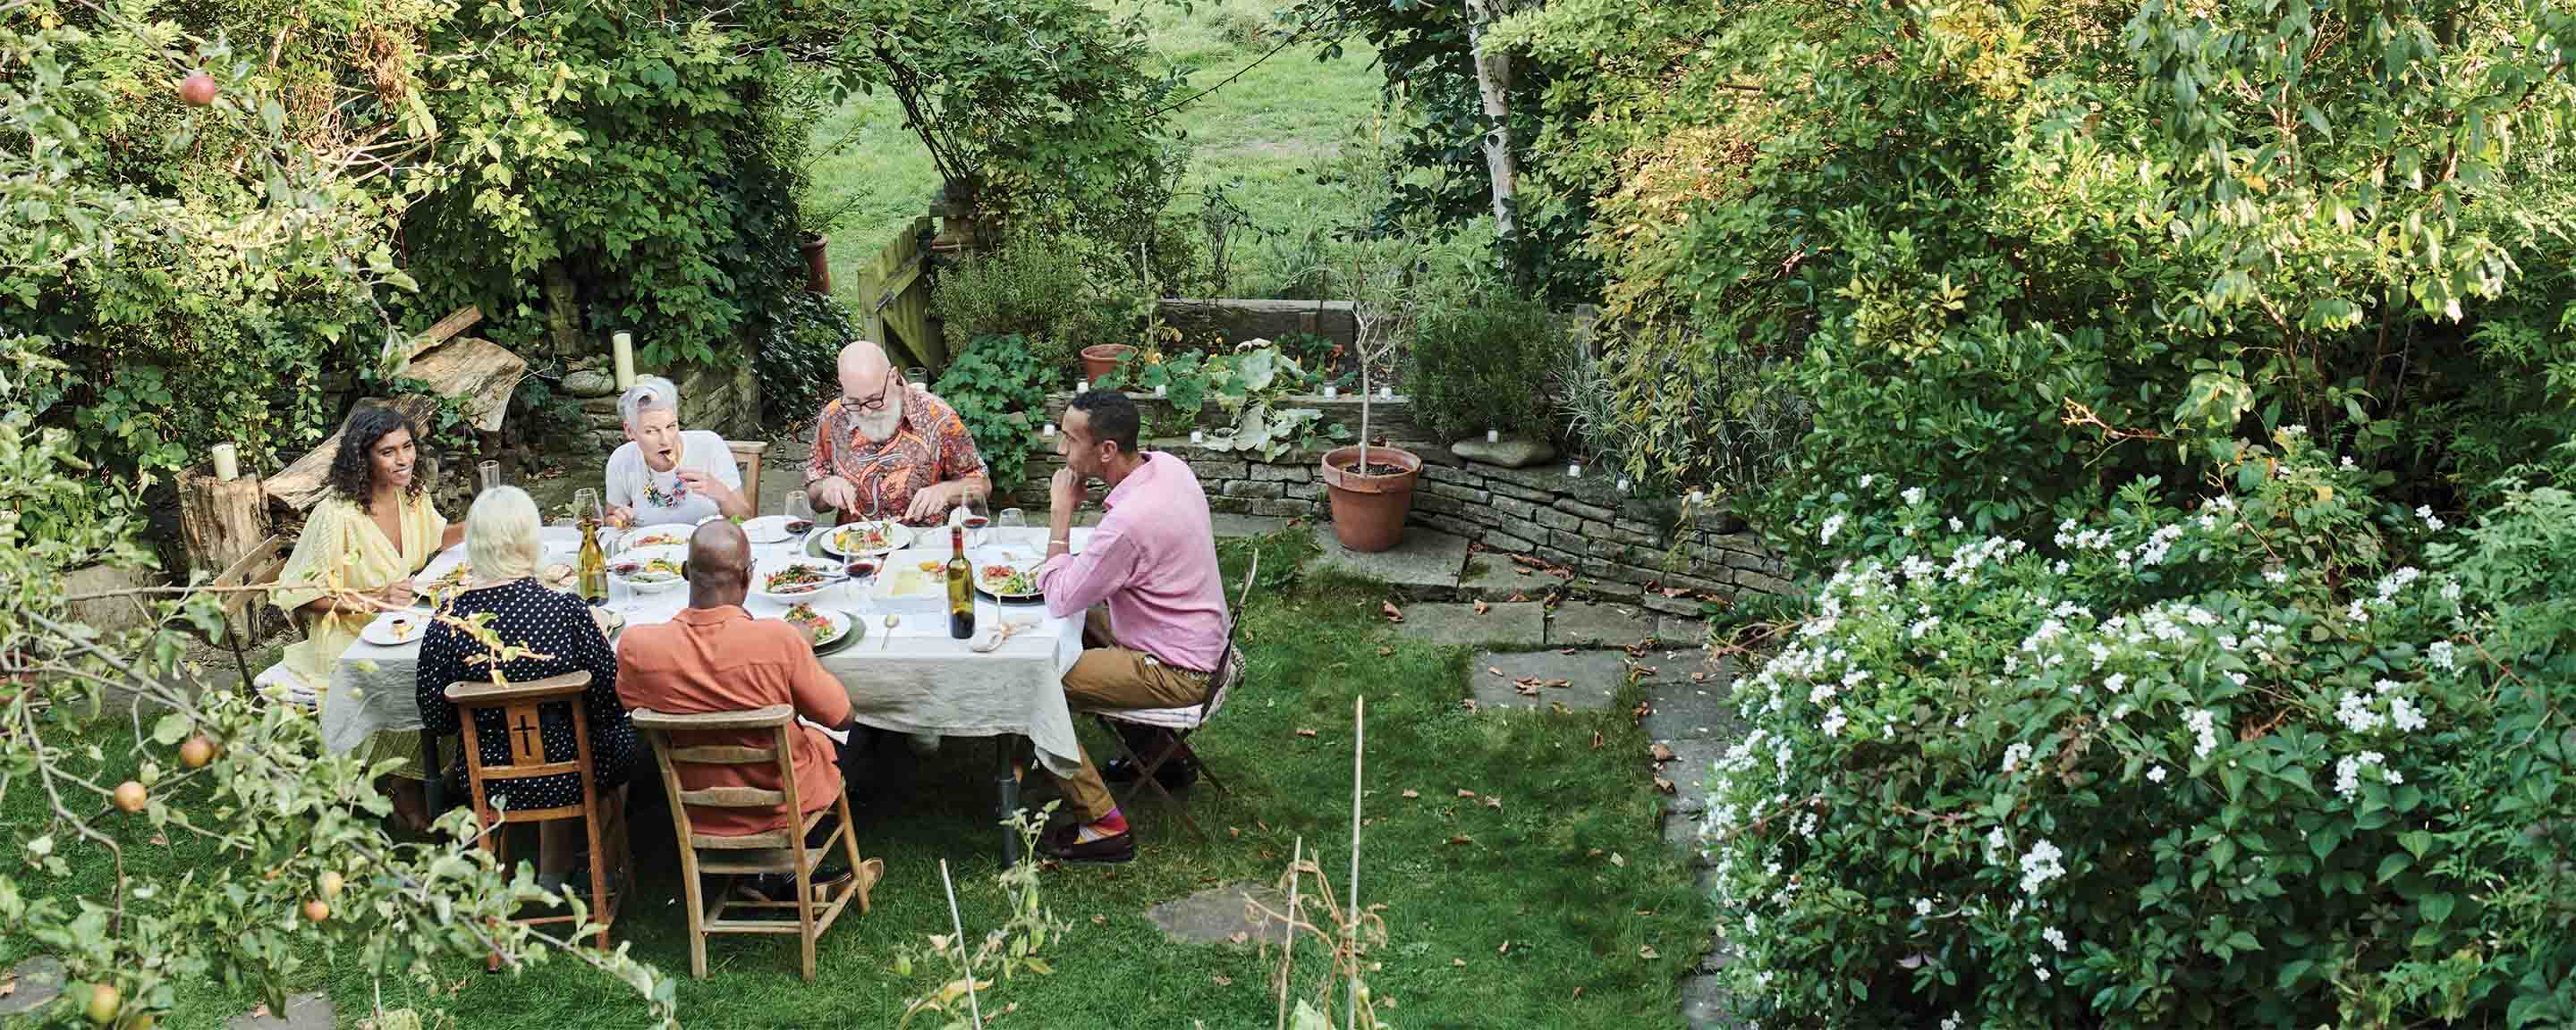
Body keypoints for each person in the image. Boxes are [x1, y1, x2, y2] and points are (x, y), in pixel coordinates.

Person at [616, 520, 883, 902]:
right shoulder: (778, 639)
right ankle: (781, 873)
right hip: (781, 800)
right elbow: (841, 716)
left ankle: (761, 873)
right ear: (748, 577)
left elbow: (629, 703)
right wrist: (800, 649)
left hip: (699, 804)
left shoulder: (638, 647)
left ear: (687, 572)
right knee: (861, 738)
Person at [1031, 390, 1231, 864]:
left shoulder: (1130, 523)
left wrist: (1060, 516)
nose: (1061, 451)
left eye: (1068, 439)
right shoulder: (1166, 467)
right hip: (1200, 640)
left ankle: (1102, 824)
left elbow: (1060, 596)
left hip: (1179, 669)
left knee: (1032, 686)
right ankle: (1165, 758)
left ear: (1105, 451)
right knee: (1082, 627)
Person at [413, 486, 633, 894]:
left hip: (488, 779)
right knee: (616, 734)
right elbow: (610, 697)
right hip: (575, 772)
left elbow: (435, 717)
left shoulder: (448, 620)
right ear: (533, 541)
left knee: (566, 737)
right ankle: (593, 860)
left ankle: (550, 864)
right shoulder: (566, 609)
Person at [267, 404, 466, 824]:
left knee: (452, 662)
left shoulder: (411, 496)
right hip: (348, 637)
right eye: (388, 452)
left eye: (407, 447)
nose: (403, 459)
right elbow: (297, 594)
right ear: (363, 457)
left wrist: (490, 520)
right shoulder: (336, 514)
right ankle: (403, 784)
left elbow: (440, 535)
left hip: (402, 625)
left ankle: (431, 770)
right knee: (414, 678)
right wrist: (374, 597)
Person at [803, 341, 989, 526]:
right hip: (854, 545)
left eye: (874, 399)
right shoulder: (833, 416)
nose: (866, 412)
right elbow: (815, 498)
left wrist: (946, 491)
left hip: (924, 547)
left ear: (893, 376)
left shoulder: (938, 416)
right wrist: (826, 487)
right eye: (854, 402)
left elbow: (983, 486)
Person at [603, 375, 749, 528]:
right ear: (630, 431)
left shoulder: (710, 446)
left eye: (671, 426)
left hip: (708, 547)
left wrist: (722, 494)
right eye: (651, 431)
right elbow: (610, 519)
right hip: (651, 548)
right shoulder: (622, 459)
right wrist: (620, 520)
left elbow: (746, 518)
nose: (666, 440)